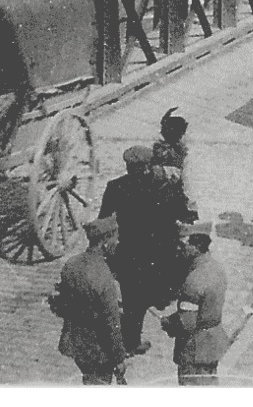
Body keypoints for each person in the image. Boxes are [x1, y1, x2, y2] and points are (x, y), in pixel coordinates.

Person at [99, 145, 193, 356]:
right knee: (151, 295)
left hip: (130, 254)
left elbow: (103, 220)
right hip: (161, 254)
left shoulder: (115, 187)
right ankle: (134, 339)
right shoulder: (166, 186)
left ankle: (131, 340)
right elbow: (183, 214)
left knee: (133, 300)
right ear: (149, 166)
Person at [51, 216, 129, 385]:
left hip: (77, 346)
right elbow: (111, 323)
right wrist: (119, 358)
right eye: (115, 237)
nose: (118, 242)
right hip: (99, 351)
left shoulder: (71, 264)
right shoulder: (104, 277)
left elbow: (61, 304)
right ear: (104, 241)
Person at [161, 222, 229, 385]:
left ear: (196, 246)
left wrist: (169, 322)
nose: (180, 248)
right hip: (211, 345)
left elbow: (187, 323)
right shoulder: (216, 268)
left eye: (184, 244)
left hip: (194, 350)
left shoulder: (194, 280)